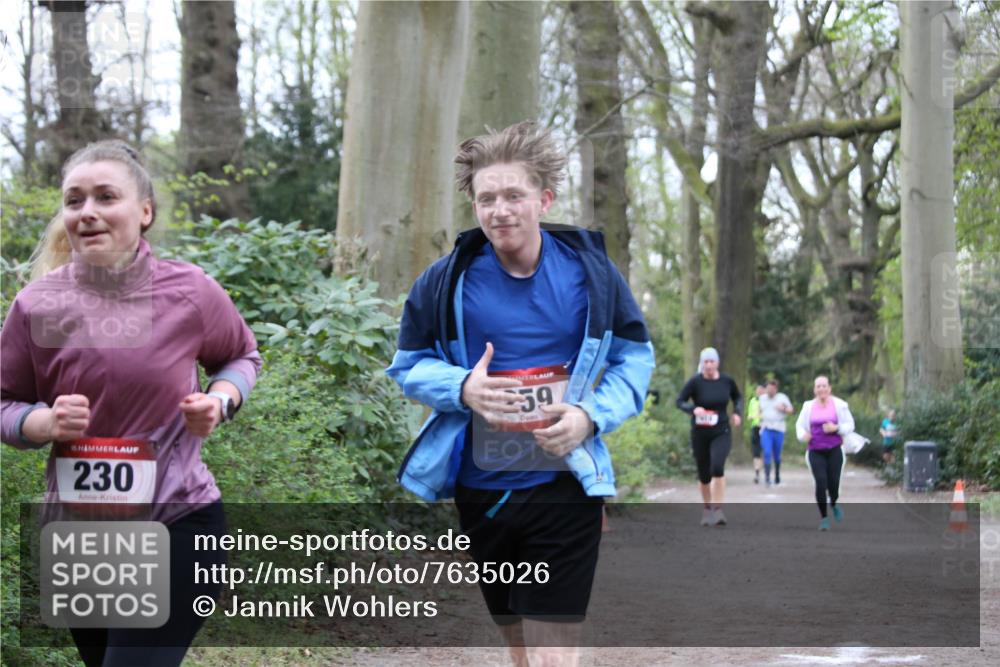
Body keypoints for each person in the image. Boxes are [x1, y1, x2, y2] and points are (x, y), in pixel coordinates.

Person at [386, 121, 654, 666]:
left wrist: (589, 415)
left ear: (544, 199)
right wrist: (463, 387)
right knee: (517, 642)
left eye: (514, 195)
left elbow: (635, 356)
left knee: (553, 650)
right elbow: (408, 366)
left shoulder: (591, 275)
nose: (500, 210)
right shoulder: (445, 282)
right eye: (487, 198)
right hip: (482, 488)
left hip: (565, 482)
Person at [0, 140, 261, 666]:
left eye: (105, 197)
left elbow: (241, 356)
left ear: (144, 212)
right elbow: (4, 401)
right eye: (74, 201)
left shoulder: (189, 292)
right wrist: (41, 421)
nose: (87, 212)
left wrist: (220, 401)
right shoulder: (38, 305)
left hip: (177, 520)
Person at [675, 348, 743, 526]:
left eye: (712, 361)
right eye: (706, 362)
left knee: (718, 466)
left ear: (717, 363)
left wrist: (737, 412)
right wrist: (692, 409)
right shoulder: (696, 382)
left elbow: (738, 397)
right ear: (702, 364)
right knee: (704, 474)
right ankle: (707, 508)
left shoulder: (727, 381)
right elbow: (679, 401)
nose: (709, 365)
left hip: (721, 430)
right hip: (700, 432)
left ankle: (718, 509)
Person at [795, 376, 856, 531]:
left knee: (833, 484)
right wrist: (803, 435)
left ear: (829, 388)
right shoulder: (808, 406)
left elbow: (850, 425)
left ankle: (834, 503)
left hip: (835, 449)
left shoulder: (840, 405)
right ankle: (824, 518)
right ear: (815, 390)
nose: (821, 389)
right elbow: (800, 426)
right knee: (821, 482)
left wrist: (836, 428)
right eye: (818, 386)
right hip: (815, 450)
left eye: (824, 386)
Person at [758, 379, 794, 486]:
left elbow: (791, 411)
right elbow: (760, 410)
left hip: (779, 429)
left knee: (777, 455)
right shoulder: (762, 398)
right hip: (766, 428)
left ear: (776, 389)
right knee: (767, 452)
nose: (769, 391)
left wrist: (783, 409)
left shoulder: (782, 398)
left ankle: (777, 474)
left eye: (772, 389)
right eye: (768, 389)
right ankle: (767, 478)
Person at [746, 384, 765, 483]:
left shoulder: (768, 402)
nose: (759, 392)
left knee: (764, 450)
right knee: (756, 451)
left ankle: (766, 471)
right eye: (758, 390)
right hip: (755, 427)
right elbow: (749, 415)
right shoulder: (753, 401)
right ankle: (757, 473)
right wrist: (753, 416)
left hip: (765, 427)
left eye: (761, 390)